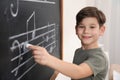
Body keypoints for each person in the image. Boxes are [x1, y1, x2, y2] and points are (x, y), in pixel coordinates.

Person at [28, 6, 108, 80]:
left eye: (92, 27)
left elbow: (78, 72)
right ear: (76, 29)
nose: (86, 31)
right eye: (81, 26)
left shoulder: (100, 58)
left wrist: (48, 59)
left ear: (101, 30)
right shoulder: (78, 51)